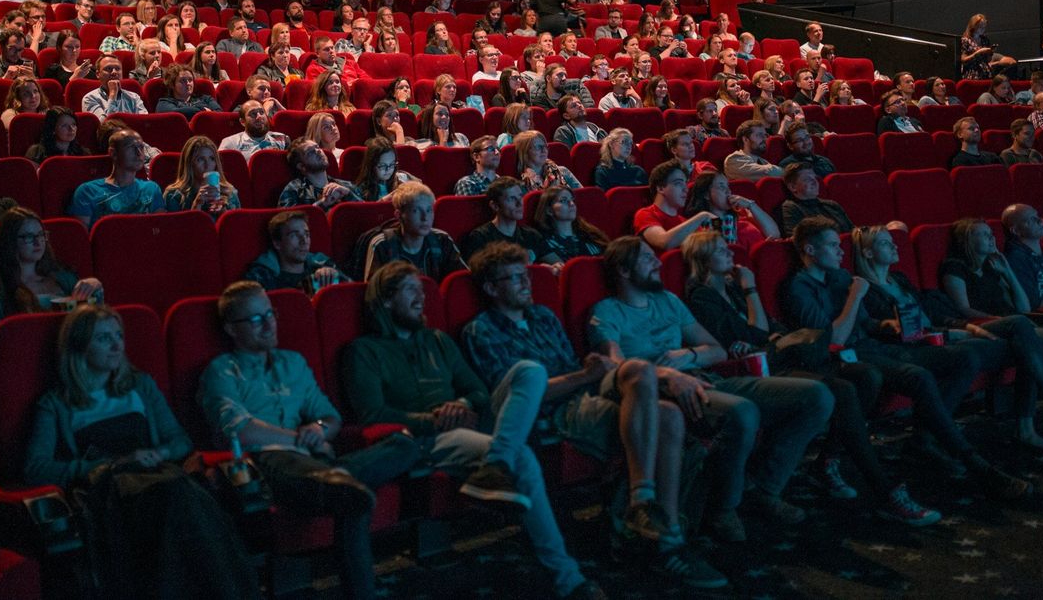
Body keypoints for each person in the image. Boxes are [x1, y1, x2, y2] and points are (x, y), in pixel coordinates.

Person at [461, 242, 727, 588]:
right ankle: (667, 540)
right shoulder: (482, 330)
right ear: (491, 288)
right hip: (554, 410)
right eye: (514, 278)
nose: (526, 283)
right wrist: (584, 376)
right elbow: (517, 398)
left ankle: (643, 505)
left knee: (642, 375)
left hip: (584, 392)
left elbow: (577, 369)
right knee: (669, 418)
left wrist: (589, 373)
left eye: (525, 275)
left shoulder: (542, 316)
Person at [343, 262, 606, 600]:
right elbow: (372, 414)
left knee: (530, 370)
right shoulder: (363, 351)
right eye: (411, 290)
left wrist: (464, 403)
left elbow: (480, 391)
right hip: (427, 437)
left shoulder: (436, 339)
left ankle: (495, 465)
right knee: (522, 456)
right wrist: (434, 419)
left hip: (470, 420)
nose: (421, 298)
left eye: (422, 290)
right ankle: (569, 580)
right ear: (386, 301)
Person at [681, 231, 941, 525]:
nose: (730, 252)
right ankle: (884, 489)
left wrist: (763, 322)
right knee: (841, 390)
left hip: (786, 356)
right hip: (765, 368)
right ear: (702, 260)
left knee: (866, 377)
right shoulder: (703, 296)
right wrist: (752, 290)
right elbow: (754, 334)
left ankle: (828, 460)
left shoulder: (733, 288)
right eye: (719, 250)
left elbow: (767, 328)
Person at [591, 236, 834, 540]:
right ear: (624, 271)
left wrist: (688, 354)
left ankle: (763, 487)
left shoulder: (669, 300)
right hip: (666, 392)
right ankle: (724, 508)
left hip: (706, 376)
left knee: (816, 396)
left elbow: (716, 350)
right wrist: (667, 373)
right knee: (743, 412)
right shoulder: (607, 311)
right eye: (646, 258)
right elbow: (617, 368)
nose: (657, 263)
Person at [782, 217, 1032, 499]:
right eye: (832, 245)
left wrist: (889, 326)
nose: (841, 252)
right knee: (918, 376)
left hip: (875, 346)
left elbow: (866, 325)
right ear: (810, 250)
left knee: (962, 358)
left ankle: (924, 440)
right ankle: (976, 464)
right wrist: (855, 296)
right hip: (845, 358)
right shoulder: (799, 288)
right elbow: (835, 339)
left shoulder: (840, 277)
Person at [25, 304, 259, 600]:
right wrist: (101, 465)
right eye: (103, 338)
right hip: (112, 490)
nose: (116, 345)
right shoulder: (56, 404)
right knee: (181, 498)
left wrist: (158, 453)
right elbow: (36, 467)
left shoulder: (139, 385)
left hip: (157, 475)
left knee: (182, 496)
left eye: (119, 335)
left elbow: (180, 441)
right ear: (79, 346)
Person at [200, 283, 416, 600]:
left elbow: (329, 418)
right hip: (268, 465)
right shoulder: (221, 371)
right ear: (232, 329)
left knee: (405, 444)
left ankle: (340, 479)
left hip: (316, 463)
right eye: (256, 319)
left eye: (270, 314)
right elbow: (240, 431)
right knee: (351, 496)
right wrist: (300, 439)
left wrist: (317, 429)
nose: (269, 323)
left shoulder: (293, 363)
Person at [856, 224, 1043, 450]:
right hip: (931, 344)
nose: (894, 245)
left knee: (1023, 336)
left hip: (952, 332)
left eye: (892, 240)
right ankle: (1039, 414)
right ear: (868, 253)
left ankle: (1038, 417)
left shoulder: (900, 280)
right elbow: (898, 332)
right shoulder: (867, 291)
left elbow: (936, 314)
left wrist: (968, 328)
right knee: (1023, 340)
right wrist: (957, 331)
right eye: (885, 242)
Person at [0, 206, 102, 343]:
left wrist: (95, 288)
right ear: (10, 241)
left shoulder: (63, 277)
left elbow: (94, 322)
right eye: (29, 237)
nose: (38, 242)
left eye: (41, 235)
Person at [363, 182, 466, 281]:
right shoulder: (382, 245)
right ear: (399, 215)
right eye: (416, 211)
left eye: (429, 210)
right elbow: (375, 292)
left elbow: (462, 280)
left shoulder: (442, 240)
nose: (425, 218)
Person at [69, 129, 163, 227]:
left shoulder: (151, 189)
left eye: (141, 147)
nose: (139, 153)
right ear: (113, 153)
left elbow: (159, 232)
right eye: (131, 147)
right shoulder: (87, 192)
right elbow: (81, 238)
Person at [243, 211, 347, 293]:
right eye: (294, 235)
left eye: (306, 234)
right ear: (277, 243)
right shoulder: (262, 277)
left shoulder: (322, 265)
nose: (304, 241)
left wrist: (336, 276)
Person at [461, 177, 554, 265]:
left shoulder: (531, 235)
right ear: (495, 206)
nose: (520, 203)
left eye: (520, 197)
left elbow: (557, 263)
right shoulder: (481, 237)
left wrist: (553, 268)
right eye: (512, 198)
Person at [685, 170, 779, 252]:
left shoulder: (742, 214)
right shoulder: (701, 225)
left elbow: (774, 234)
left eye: (728, 186)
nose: (728, 191)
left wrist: (751, 205)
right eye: (721, 187)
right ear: (706, 194)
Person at [635, 160, 714, 252]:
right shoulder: (645, 214)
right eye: (679, 183)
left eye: (686, 183)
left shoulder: (684, 222)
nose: (686, 189)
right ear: (661, 188)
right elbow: (663, 242)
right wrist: (702, 216)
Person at [162, 136, 239, 215]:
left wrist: (224, 213)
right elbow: (176, 226)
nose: (207, 165)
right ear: (189, 164)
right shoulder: (174, 195)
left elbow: (238, 225)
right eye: (200, 159)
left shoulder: (229, 192)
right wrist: (196, 205)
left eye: (212, 159)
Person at [278, 138, 361, 210]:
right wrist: (322, 204)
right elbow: (288, 222)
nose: (318, 151)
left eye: (317, 147)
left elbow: (368, 214)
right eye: (310, 152)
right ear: (301, 166)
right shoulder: (294, 189)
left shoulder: (346, 185)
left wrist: (348, 194)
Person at [532, 187, 609, 261]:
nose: (571, 204)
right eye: (563, 200)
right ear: (549, 210)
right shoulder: (543, 242)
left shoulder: (589, 234)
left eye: (572, 200)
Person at [779, 163, 854, 235]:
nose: (815, 182)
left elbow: (853, 231)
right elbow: (797, 239)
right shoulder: (791, 207)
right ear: (793, 187)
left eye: (814, 178)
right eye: (807, 179)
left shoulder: (831, 204)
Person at [218, 99, 289, 163]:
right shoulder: (230, 143)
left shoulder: (282, 138)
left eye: (262, 112)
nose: (259, 117)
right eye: (253, 114)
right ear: (242, 122)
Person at [82, 55, 148, 121]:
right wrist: (112, 95)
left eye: (118, 69)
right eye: (108, 69)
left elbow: (144, 122)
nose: (114, 72)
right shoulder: (90, 98)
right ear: (97, 74)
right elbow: (103, 125)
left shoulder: (134, 97)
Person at [354, 137, 418, 202]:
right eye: (382, 166)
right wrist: (383, 201)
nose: (388, 169)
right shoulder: (361, 189)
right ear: (371, 165)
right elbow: (363, 210)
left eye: (392, 164)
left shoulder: (401, 179)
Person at [515, 130, 580, 191]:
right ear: (525, 152)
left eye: (545, 146)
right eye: (538, 147)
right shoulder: (521, 183)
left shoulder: (563, 171)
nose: (544, 150)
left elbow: (581, 197)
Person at [156, 64, 220, 119]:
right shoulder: (164, 103)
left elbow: (219, 113)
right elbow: (176, 114)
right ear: (172, 85)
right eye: (182, 80)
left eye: (190, 80)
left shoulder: (206, 99)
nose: (188, 83)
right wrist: (203, 110)